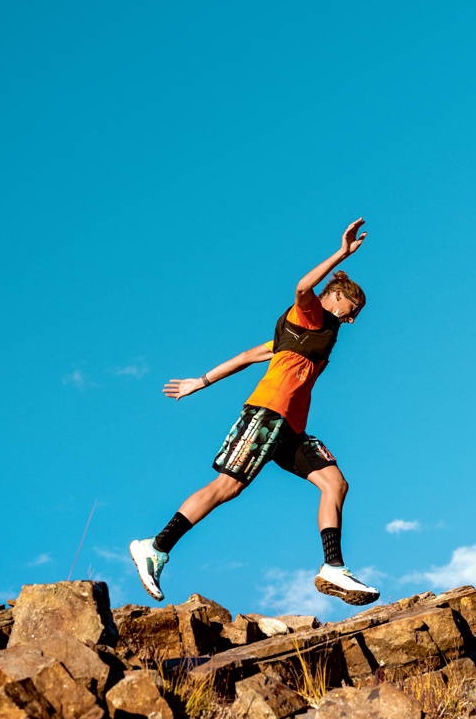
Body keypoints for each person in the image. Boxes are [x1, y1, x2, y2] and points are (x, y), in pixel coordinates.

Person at [128, 219, 380, 607]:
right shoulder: (309, 314)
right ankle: (155, 547)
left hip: (291, 429)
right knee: (227, 487)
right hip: (268, 414)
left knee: (335, 483)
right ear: (334, 295)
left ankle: (333, 567)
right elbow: (301, 287)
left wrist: (202, 380)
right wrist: (341, 254)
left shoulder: (310, 333)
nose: (353, 318)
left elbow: (251, 355)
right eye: (352, 308)